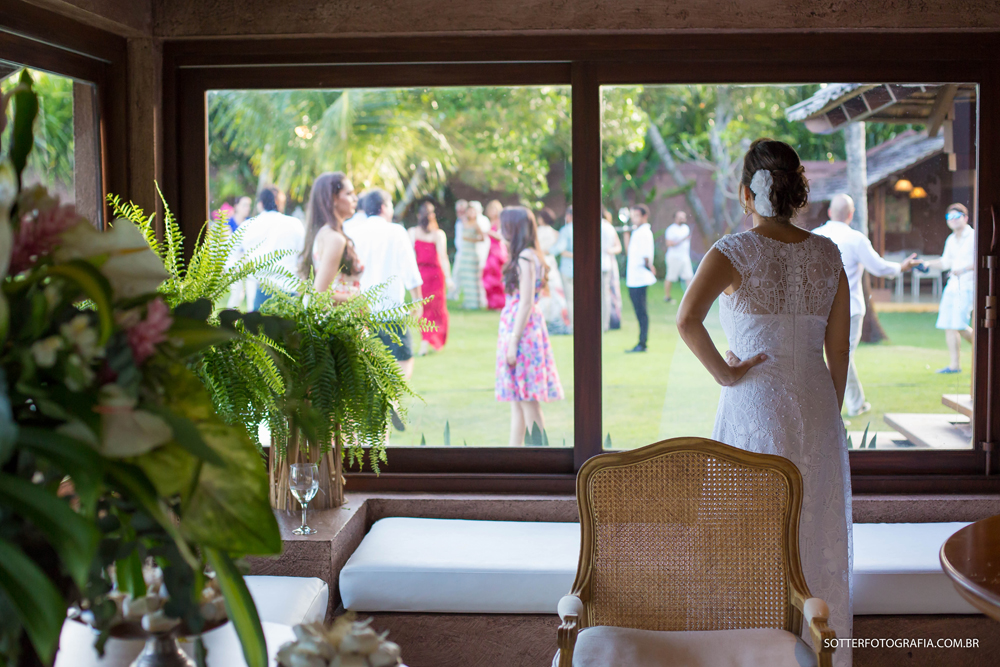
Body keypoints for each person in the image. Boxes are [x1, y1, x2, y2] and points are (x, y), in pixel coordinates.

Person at [677, 138, 853, 665]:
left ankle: (747, 652)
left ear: (746, 193)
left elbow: (688, 320)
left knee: (748, 528)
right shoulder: (827, 253)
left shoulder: (734, 250)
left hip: (755, 404)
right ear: (796, 190)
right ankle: (815, 651)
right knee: (813, 525)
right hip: (817, 406)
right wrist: (830, 408)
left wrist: (726, 375)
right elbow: (839, 346)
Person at [814, 194, 919, 416]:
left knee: (837, 359)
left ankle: (852, 404)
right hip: (850, 310)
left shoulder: (815, 236)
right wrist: (901, 267)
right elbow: (879, 267)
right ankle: (843, 405)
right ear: (851, 215)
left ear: (830, 213)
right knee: (843, 359)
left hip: (820, 310)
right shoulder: (855, 238)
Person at [495, 206, 564, 447]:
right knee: (519, 402)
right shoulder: (528, 255)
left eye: (503, 225)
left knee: (527, 401)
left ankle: (540, 458)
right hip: (521, 327)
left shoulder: (525, 258)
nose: (499, 230)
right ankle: (514, 458)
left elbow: (525, 302)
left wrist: (513, 341)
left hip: (521, 331)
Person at [344, 188, 423, 380]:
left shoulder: (352, 232)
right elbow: (410, 270)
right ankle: (392, 403)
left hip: (361, 311)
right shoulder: (396, 231)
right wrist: (417, 301)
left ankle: (379, 404)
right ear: (383, 207)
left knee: (367, 365)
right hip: (391, 311)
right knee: (403, 359)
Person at [235, 185, 306, 310]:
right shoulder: (294, 224)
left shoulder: (247, 226)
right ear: (279, 203)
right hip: (289, 291)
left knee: (259, 329)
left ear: (260, 204)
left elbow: (232, 254)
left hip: (262, 292)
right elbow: (303, 256)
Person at [299, 172, 363, 302]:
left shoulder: (325, 233)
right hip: (336, 320)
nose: (355, 199)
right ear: (333, 198)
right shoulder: (334, 239)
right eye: (349, 194)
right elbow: (320, 295)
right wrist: (356, 299)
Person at [927, 203, 976, 373]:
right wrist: (925, 264)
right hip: (952, 287)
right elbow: (945, 262)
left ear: (966, 218)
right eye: (949, 217)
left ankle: (985, 350)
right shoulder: (951, 239)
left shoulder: (974, 237)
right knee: (949, 324)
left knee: (960, 325)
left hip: (967, 286)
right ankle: (954, 365)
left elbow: (982, 261)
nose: (953, 220)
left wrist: (963, 269)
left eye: (957, 216)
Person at [409, 201, 452, 354]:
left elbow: (411, 259)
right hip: (433, 276)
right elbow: (443, 257)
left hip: (423, 276)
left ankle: (426, 341)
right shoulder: (437, 234)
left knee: (425, 308)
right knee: (434, 309)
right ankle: (427, 341)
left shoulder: (413, 232)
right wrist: (448, 278)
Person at [535, 207, 571, 334]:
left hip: (541, 261)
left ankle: (545, 318)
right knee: (555, 291)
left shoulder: (537, 232)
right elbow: (557, 248)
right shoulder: (556, 233)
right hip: (550, 261)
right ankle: (558, 317)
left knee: (543, 290)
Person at [625, 203, 655, 352]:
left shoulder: (644, 232)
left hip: (639, 279)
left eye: (637, 216)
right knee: (639, 311)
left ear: (644, 216)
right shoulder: (637, 232)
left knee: (641, 311)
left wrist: (650, 268)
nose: (634, 219)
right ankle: (641, 341)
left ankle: (642, 343)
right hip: (633, 278)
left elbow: (646, 257)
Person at [454, 199, 485, 309]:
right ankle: (468, 302)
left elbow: (482, 238)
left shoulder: (476, 224)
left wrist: (471, 240)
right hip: (464, 254)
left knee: (473, 280)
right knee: (465, 278)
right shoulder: (464, 222)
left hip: (472, 253)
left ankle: (474, 304)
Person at [482, 199, 508, 310]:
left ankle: (500, 303)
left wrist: (490, 233)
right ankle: (491, 303)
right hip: (488, 251)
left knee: (497, 278)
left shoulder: (500, 222)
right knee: (488, 277)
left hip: (497, 252)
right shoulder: (488, 222)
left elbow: (502, 237)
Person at [601, 207, 623, 332]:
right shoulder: (609, 227)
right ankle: (605, 323)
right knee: (606, 295)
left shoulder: (604, 227)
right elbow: (618, 247)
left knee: (603, 295)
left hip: (603, 264)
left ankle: (604, 323)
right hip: (607, 264)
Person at [663, 210, 694, 303]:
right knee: (670, 277)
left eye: (684, 217)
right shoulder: (671, 229)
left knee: (689, 277)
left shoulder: (686, 228)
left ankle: (690, 298)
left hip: (685, 257)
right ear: (675, 218)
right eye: (680, 217)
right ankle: (667, 297)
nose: (683, 219)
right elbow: (669, 243)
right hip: (674, 257)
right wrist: (682, 239)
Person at [552, 206, 575, 325]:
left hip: (568, 268)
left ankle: (572, 323)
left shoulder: (566, 230)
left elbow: (559, 249)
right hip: (580, 269)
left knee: (570, 298)